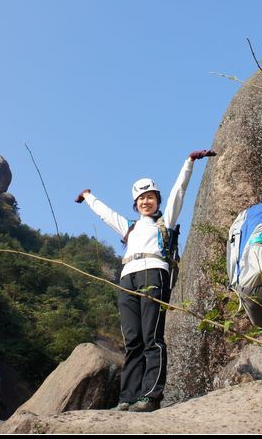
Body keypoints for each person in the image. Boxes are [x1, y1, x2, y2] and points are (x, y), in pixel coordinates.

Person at [75, 149, 215, 412]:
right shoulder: (129, 226)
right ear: (135, 203)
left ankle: (150, 396)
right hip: (127, 277)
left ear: (156, 199)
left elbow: (178, 193)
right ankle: (127, 397)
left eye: (149, 197)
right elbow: (105, 214)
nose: (145, 202)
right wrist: (88, 196)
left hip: (154, 271)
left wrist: (189, 163)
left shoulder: (165, 221)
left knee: (152, 337)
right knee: (133, 341)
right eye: (141, 198)